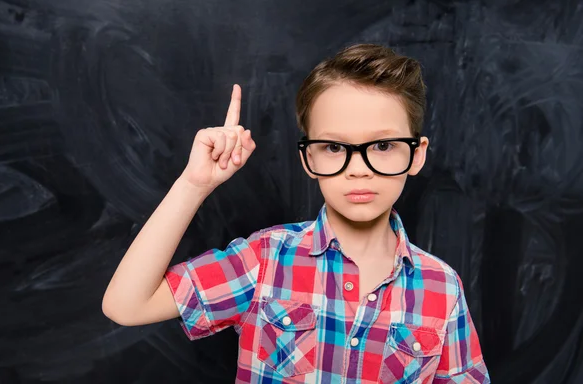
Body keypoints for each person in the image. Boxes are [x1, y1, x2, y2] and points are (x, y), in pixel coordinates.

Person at [102, 44, 490, 383]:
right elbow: (125, 305)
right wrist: (194, 184)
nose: (359, 168)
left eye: (384, 145)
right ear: (308, 157)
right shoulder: (265, 259)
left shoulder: (442, 288)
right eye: (335, 148)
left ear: (417, 154)